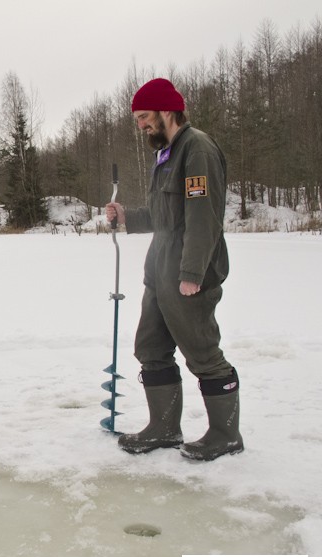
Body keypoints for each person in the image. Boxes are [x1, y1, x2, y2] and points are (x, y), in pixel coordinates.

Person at [105, 78, 243, 461]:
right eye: (137, 118)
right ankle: (164, 428)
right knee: (150, 347)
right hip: (161, 267)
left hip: (188, 269)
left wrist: (193, 273)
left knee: (202, 352)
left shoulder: (196, 149)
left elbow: (204, 217)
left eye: (145, 116)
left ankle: (225, 435)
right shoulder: (165, 154)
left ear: (167, 110)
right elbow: (164, 214)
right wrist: (127, 217)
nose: (141, 125)